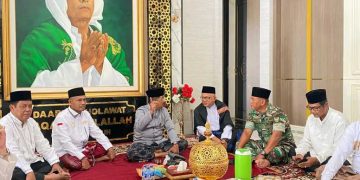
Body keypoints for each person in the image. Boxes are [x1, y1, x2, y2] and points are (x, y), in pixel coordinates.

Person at [17, 0, 132, 87]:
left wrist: (101, 66)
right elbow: (31, 90)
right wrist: (82, 64)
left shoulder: (111, 47)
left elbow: (128, 91)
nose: (84, 0)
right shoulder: (38, 41)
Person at [0, 91, 70, 180]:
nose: (28, 109)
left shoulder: (31, 122)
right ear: (12, 108)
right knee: (15, 174)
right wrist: (28, 171)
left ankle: (44, 176)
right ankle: (49, 178)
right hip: (16, 164)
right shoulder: (4, 124)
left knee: (57, 163)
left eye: (30, 106)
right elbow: (14, 152)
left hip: (33, 162)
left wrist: (54, 163)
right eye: (23, 106)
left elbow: (42, 144)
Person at [52, 87, 116, 171]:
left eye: (84, 100)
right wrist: (82, 158)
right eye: (79, 100)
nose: (83, 103)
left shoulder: (86, 114)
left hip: (82, 148)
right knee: (77, 165)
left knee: (104, 147)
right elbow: (65, 143)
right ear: (70, 102)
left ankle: (88, 159)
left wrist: (109, 147)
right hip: (66, 151)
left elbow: (97, 132)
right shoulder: (62, 117)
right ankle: (93, 160)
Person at [236, 87, 296, 168]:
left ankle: (264, 161)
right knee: (241, 144)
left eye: (253, 99)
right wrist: (239, 149)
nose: (250, 102)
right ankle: (260, 161)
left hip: (283, 146)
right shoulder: (253, 113)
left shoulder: (277, 113)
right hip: (266, 145)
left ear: (262, 102)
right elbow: (247, 132)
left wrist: (262, 153)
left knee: (275, 152)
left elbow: (276, 136)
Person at [292, 89, 348, 172]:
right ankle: (315, 167)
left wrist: (318, 159)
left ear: (326, 105)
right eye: (310, 108)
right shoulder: (311, 119)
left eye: (316, 108)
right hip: (316, 155)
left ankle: (318, 168)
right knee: (292, 151)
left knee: (332, 163)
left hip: (333, 155)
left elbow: (337, 148)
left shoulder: (339, 120)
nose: (312, 112)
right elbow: (306, 141)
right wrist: (300, 153)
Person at [127, 87, 188, 162]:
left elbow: (170, 128)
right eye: (162, 99)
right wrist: (151, 112)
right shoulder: (141, 111)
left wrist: (175, 144)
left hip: (160, 143)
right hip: (143, 144)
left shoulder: (164, 111)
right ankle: (162, 154)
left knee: (183, 143)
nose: (164, 101)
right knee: (132, 153)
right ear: (152, 101)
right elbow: (139, 128)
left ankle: (154, 153)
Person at [193, 86, 236, 152]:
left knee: (236, 136)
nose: (204, 100)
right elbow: (200, 128)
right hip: (207, 136)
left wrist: (224, 139)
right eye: (202, 97)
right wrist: (215, 139)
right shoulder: (198, 110)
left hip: (222, 134)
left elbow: (228, 125)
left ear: (214, 98)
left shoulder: (222, 107)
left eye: (208, 98)